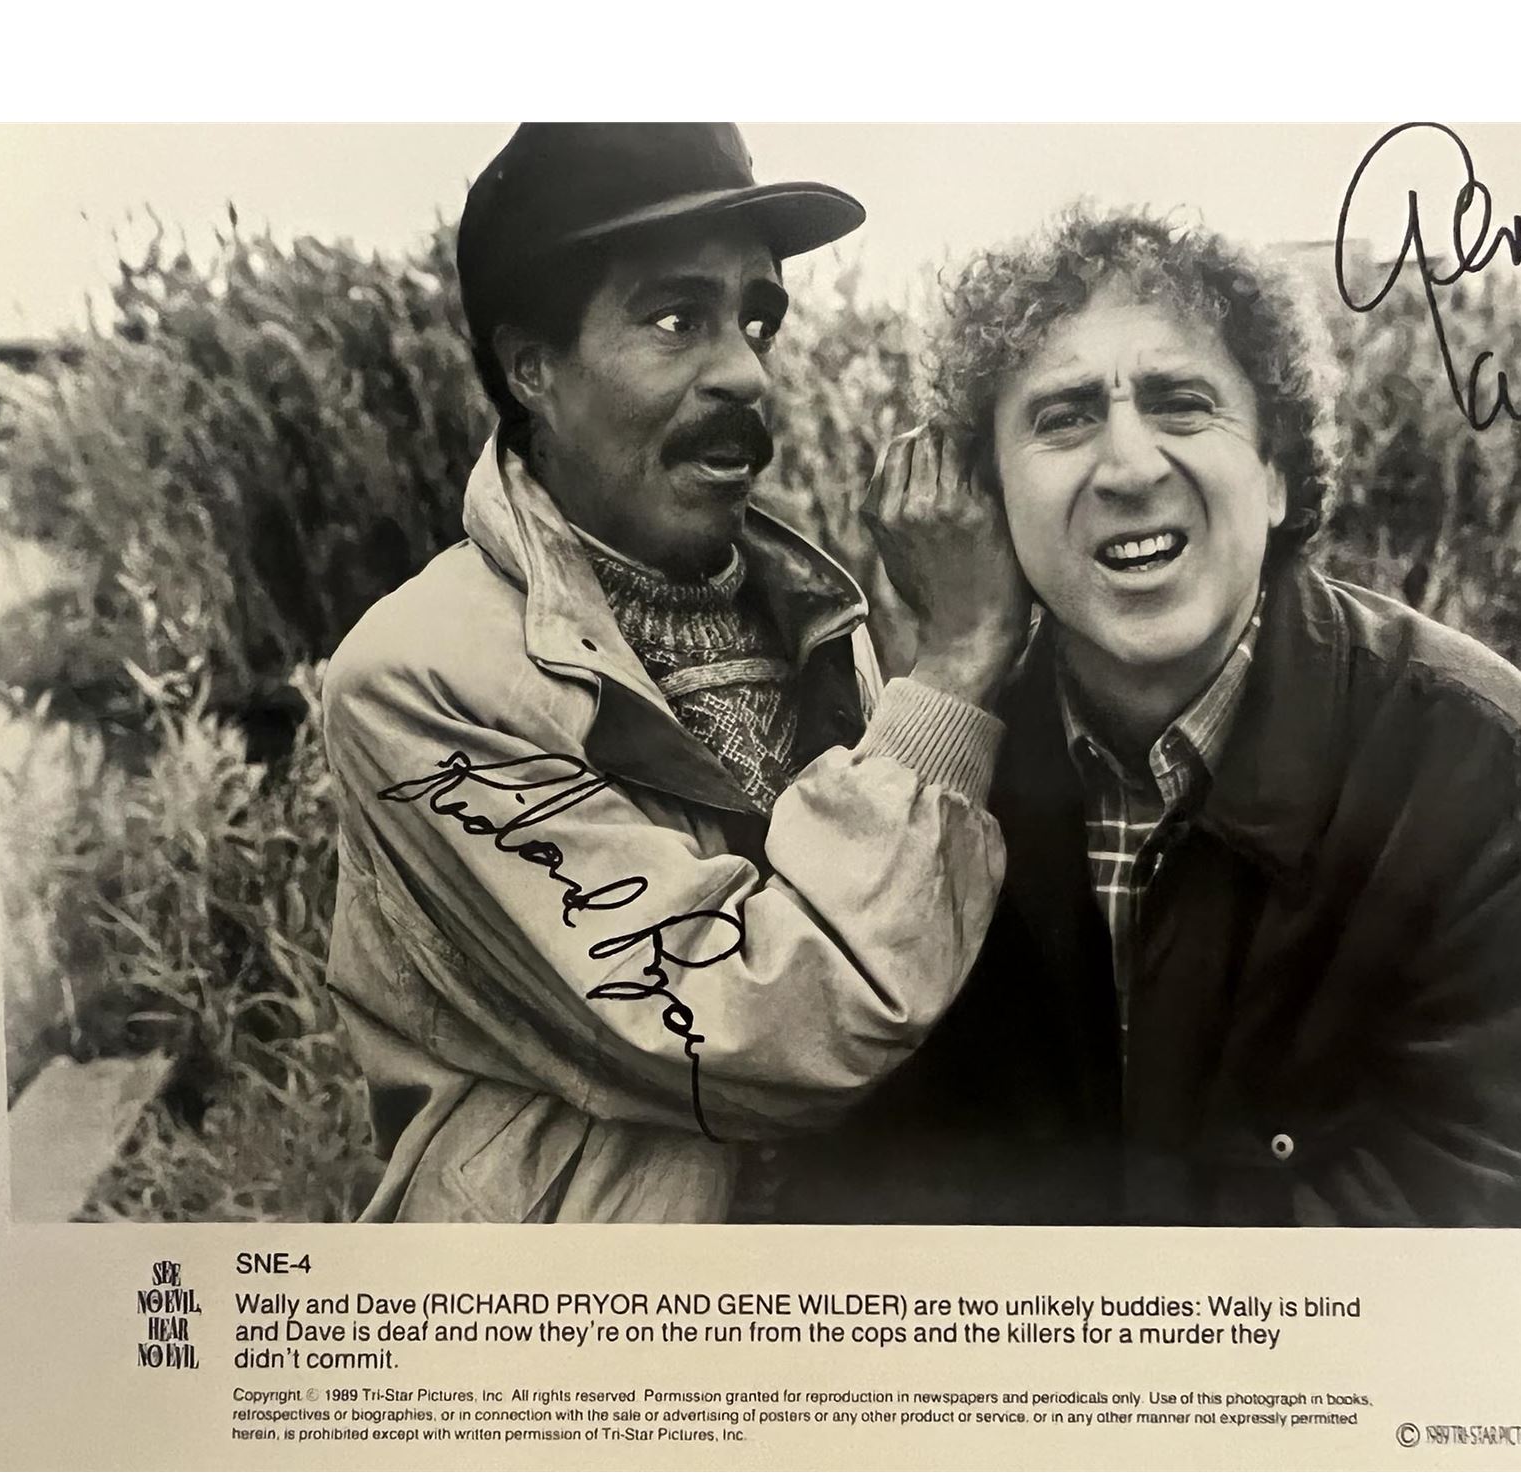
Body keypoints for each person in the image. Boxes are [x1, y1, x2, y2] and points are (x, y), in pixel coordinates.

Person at [777, 207, 1521, 1227]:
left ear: (1277, 475)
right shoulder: (940, 773)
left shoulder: (1484, 770)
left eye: (1181, 404)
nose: (1130, 468)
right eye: (1065, 417)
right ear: (988, 502)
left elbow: (1454, 1221)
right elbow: (864, 1182)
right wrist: (956, 666)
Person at [320, 123, 1029, 1222]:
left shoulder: (812, 616)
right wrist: (959, 663)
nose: (748, 370)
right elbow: (755, 1022)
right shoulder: (416, 678)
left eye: (757, 318)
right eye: (674, 318)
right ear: (532, 369)